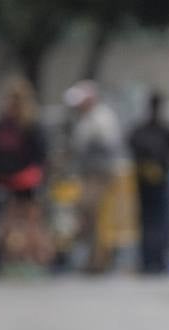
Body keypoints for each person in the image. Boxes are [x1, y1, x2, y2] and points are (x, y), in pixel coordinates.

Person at [0, 77, 50, 273]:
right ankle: (3, 260)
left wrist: (32, 175)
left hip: (26, 182)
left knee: (31, 224)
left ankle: (38, 261)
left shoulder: (31, 126)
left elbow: (40, 155)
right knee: (5, 224)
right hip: (2, 181)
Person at [64, 80, 123, 274]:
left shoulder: (102, 118)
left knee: (93, 213)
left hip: (99, 174)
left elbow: (107, 146)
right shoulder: (86, 119)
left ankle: (98, 260)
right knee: (86, 215)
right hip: (88, 174)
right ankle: (91, 259)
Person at [126, 92, 169, 274]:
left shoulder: (141, 130)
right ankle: (156, 260)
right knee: (159, 222)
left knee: (147, 222)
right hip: (158, 183)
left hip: (145, 182)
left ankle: (149, 260)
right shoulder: (162, 130)